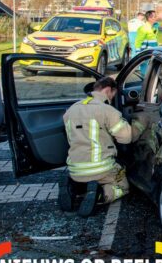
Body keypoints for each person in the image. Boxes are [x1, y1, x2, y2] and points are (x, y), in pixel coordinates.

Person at [60, 77, 153, 216]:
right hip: (101, 169)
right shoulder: (107, 111)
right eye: (113, 94)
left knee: (84, 177)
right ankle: (100, 194)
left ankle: (73, 187)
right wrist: (141, 122)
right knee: (122, 186)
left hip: (74, 168)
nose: (112, 98)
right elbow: (126, 138)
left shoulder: (71, 110)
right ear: (108, 90)